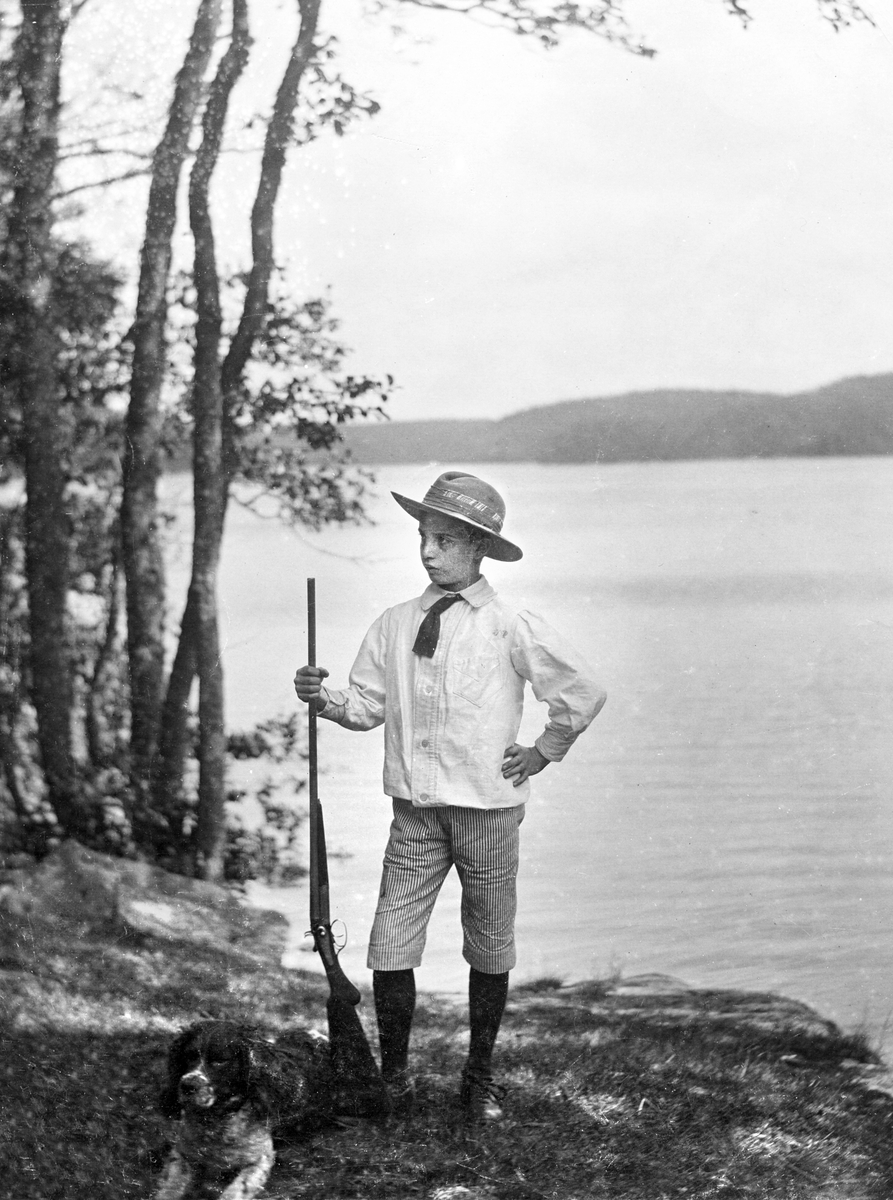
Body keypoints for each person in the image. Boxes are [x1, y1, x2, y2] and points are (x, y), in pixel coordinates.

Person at [293, 471, 606, 1123]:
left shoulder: (510, 624)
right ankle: (394, 1079)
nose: (429, 552)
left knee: (489, 942)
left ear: (478, 548)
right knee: (389, 941)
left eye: (445, 540)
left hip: (487, 811)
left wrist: (542, 751)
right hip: (413, 813)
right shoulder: (394, 623)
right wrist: (322, 698)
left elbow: (580, 692)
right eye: (423, 537)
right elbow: (366, 706)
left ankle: (478, 1078)